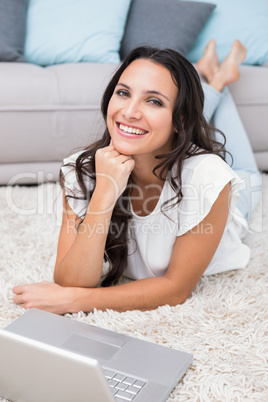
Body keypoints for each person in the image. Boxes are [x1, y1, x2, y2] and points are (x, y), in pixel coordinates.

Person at [13, 40, 261, 314]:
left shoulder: (209, 178)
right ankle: (211, 75)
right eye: (123, 93)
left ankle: (221, 78)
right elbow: (72, 281)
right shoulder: (81, 169)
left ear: (180, 121)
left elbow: (176, 288)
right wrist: (104, 194)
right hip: (175, 141)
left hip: (233, 206)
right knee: (157, 124)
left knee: (250, 174)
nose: (129, 112)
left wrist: (76, 301)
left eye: (154, 100)